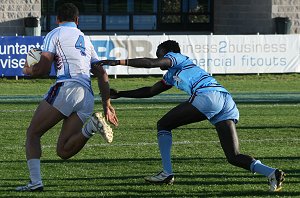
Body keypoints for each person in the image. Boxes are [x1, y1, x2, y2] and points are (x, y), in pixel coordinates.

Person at [96, 40, 285, 192]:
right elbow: (150, 91)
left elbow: (151, 63)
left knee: (163, 124)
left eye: (160, 53)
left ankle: (167, 173)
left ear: (168, 53)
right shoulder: (171, 75)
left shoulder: (176, 57)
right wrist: (121, 93)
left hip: (208, 96)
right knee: (233, 156)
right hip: (225, 100)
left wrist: (118, 62)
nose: (158, 57)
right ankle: (271, 173)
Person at [16, 3, 118, 192]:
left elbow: (43, 68)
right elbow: (102, 74)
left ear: (57, 20)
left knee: (33, 133)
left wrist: (28, 70)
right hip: (86, 95)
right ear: (77, 21)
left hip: (67, 88)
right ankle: (90, 128)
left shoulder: (55, 33)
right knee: (63, 151)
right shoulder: (85, 39)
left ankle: (35, 182)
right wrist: (107, 104)